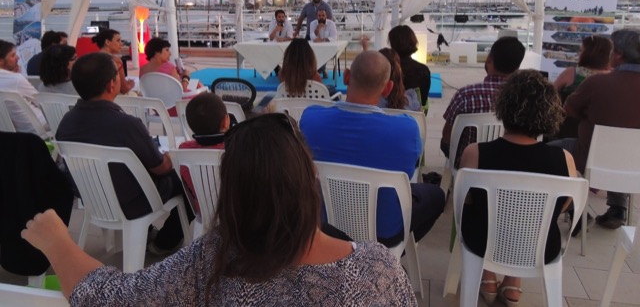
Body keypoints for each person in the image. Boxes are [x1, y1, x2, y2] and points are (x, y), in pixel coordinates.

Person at [22, 112, 417, 306]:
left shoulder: (212, 261)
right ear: (311, 177)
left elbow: (109, 298)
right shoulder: (377, 269)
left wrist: (57, 242)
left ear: (231, 192)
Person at [300, 51, 445, 247]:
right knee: (436, 196)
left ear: (346, 76)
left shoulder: (310, 120)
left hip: (325, 225)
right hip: (383, 231)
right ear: (388, 88)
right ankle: (386, 254)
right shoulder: (406, 129)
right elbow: (408, 173)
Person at [459, 70, 577, 306]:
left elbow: (466, 200)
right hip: (540, 248)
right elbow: (564, 206)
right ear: (550, 113)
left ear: (503, 107)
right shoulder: (564, 159)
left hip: (483, 243)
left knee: (478, 212)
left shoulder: (475, 153)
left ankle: (487, 277)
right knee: (532, 220)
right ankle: (513, 283)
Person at [56, 52, 193, 255]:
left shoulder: (66, 122)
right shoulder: (127, 124)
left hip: (93, 199)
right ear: (112, 84)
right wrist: (170, 158)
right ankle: (164, 243)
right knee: (186, 180)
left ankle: (146, 234)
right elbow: (161, 167)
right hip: (132, 202)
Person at [564, 29, 640, 229]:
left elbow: (568, 109)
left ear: (619, 54)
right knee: (621, 147)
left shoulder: (597, 82)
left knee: (551, 152)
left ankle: (574, 209)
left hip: (590, 159)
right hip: (634, 164)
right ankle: (618, 208)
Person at [441, 36, 525, 165]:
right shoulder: (524, 98)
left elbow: (447, 135)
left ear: (489, 59)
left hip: (468, 166)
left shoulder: (465, 95)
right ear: (518, 67)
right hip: (509, 166)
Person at [550, 34, 611, 141]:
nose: (578, 54)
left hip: (568, 131)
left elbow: (549, 94)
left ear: (590, 53)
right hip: (599, 133)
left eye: (581, 50)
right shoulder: (612, 77)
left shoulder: (572, 73)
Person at [178, 93, 229, 214]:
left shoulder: (184, 150)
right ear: (225, 122)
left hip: (203, 212)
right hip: (237, 214)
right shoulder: (235, 148)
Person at [0, 39, 47, 133]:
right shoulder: (16, 80)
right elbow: (41, 102)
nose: (17, 57)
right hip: (37, 127)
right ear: (1, 61)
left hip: (11, 130)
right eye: (13, 55)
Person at [388, 25, 431, 108]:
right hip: (413, 113)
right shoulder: (423, 70)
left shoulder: (385, 68)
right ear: (413, 42)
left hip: (387, 112)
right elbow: (423, 101)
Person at [93, 29, 135, 94]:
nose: (121, 44)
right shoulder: (116, 61)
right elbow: (124, 89)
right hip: (112, 96)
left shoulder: (91, 59)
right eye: (118, 41)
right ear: (107, 42)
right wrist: (131, 84)